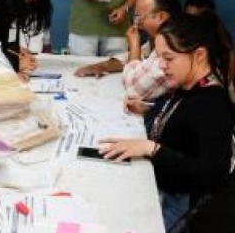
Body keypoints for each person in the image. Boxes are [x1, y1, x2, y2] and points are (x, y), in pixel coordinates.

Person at [99, 13, 234, 231]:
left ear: (199, 55)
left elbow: (214, 175)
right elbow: (182, 121)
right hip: (160, 186)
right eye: (159, 57)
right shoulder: (186, 85)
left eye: (169, 58)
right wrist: (147, 110)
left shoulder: (212, 104)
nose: (161, 65)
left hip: (178, 203)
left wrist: (152, 149)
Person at [75, 0, 181, 101]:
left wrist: (134, 45)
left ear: (161, 17)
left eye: (140, 18)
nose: (137, 24)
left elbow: (134, 89)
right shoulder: (155, 42)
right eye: (135, 18)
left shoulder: (173, 47)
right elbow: (134, 56)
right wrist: (103, 66)